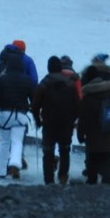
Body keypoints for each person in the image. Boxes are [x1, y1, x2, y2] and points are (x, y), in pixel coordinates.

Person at [0, 39, 37, 181]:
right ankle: (15, 162)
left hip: (4, 114)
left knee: (4, 142)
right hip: (21, 114)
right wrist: (37, 115)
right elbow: (34, 94)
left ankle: (0, 172)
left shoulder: (2, 76)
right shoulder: (27, 77)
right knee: (17, 141)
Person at [78, 54, 110, 184]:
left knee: (92, 157)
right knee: (107, 158)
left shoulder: (87, 96)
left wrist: (80, 134)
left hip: (92, 132)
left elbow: (83, 117)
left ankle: (92, 181)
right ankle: (107, 183)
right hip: (109, 129)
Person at [32, 55, 83, 185]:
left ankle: (48, 180)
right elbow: (78, 106)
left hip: (49, 123)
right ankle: (63, 176)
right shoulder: (70, 84)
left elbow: (35, 105)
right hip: (66, 123)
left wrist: (38, 120)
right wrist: (72, 120)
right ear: (60, 68)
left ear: (49, 68)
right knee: (65, 150)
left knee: (48, 151)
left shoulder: (44, 84)